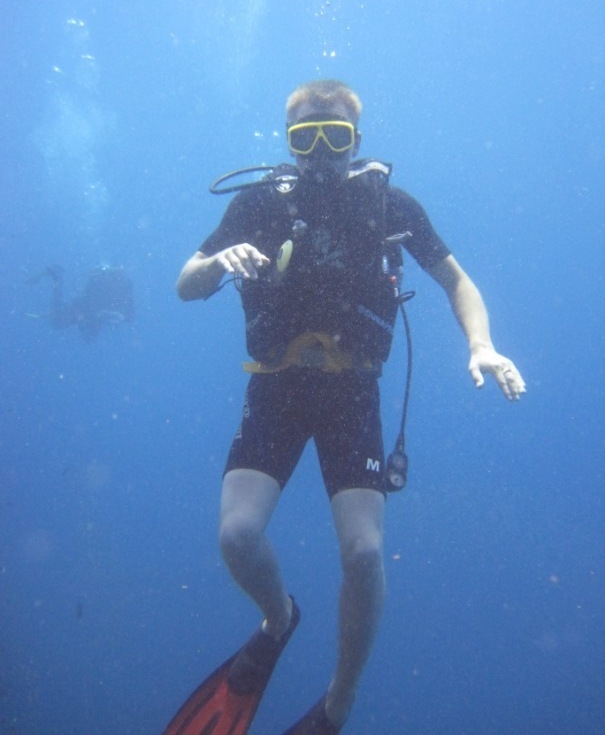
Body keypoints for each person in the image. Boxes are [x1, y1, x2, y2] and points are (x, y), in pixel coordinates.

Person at [174, 79, 526, 734]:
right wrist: (219, 260)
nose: (319, 153)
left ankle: (338, 702)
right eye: (304, 138)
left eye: (333, 138)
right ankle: (278, 619)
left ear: (355, 141)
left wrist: (482, 344)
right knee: (237, 536)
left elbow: (455, 280)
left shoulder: (389, 206)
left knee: (363, 554)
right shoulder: (257, 205)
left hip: (350, 392)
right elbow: (185, 284)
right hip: (276, 386)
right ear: (288, 143)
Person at [31, 264, 135, 342]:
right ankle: (57, 275)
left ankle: (57, 275)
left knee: (58, 320)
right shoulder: (116, 290)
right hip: (86, 307)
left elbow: (130, 316)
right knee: (57, 320)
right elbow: (88, 299)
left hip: (87, 309)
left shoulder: (124, 290)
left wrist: (118, 316)